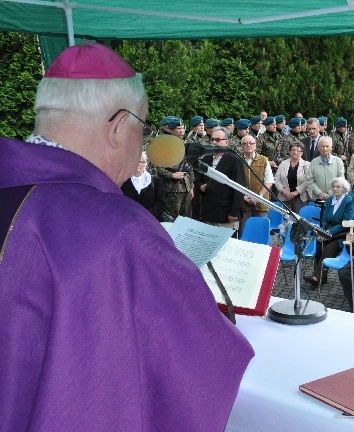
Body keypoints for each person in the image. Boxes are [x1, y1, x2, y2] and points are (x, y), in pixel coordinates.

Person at [0, 43, 253, 431]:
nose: (145, 143)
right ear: (119, 127)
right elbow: (199, 362)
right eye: (144, 128)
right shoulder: (120, 230)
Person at [303, 177, 354, 287]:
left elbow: (345, 222)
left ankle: (317, 277)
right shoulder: (330, 200)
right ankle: (321, 277)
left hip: (341, 233)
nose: (335, 189)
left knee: (329, 248)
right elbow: (324, 218)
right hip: (328, 230)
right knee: (318, 246)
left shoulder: (349, 202)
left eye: (338, 187)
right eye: (333, 187)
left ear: (344, 188)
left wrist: (329, 232)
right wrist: (323, 232)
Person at [201, 127, 246, 230]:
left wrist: (234, 212)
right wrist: (200, 186)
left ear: (227, 142)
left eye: (217, 140)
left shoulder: (235, 160)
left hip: (226, 213)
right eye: (212, 139)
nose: (214, 142)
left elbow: (239, 187)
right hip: (209, 211)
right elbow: (198, 179)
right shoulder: (206, 158)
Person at [240, 134, 274, 233]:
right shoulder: (238, 160)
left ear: (255, 145)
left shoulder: (264, 160)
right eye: (245, 143)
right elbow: (234, 181)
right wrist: (243, 196)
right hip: (243, 202)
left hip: (261, 202)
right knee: (245, 231)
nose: (248, 145)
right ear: (241, 146)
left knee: (260, 232)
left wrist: (258, 197)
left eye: (251, 143)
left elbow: (269, 181)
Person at [120, 152, 166, 221]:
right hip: (131, 221)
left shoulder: (156, 181)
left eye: (141, 162)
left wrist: (146, 216)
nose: (138, 164)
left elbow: (161, 203)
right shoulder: (123, 182)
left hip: (153, 221)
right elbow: (122, 202)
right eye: (135, 162)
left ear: (146, 164)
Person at [306, 136, 345, 201]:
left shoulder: (338, 161)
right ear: (318, 148)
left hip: (335, 198)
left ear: (331, 148)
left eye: (327, 146)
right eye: (322, 146)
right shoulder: (313, 162)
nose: (325, 149)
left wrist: (330, 193)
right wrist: (319, 193)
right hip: (318, 199)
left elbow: (340, 179)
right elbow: (310, 180)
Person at [275, 143, 310, 213]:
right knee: (285, 220)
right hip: (284, 197)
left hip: (300, 198)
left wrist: (296, 192)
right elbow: (277, 180)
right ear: (289, 152)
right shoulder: (283, 164)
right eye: (293, 150)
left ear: (301, 153)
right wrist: (284, 191)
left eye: (298, 150)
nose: (295, 152)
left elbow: (308, 180)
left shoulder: (306, 164)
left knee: (299, 220)